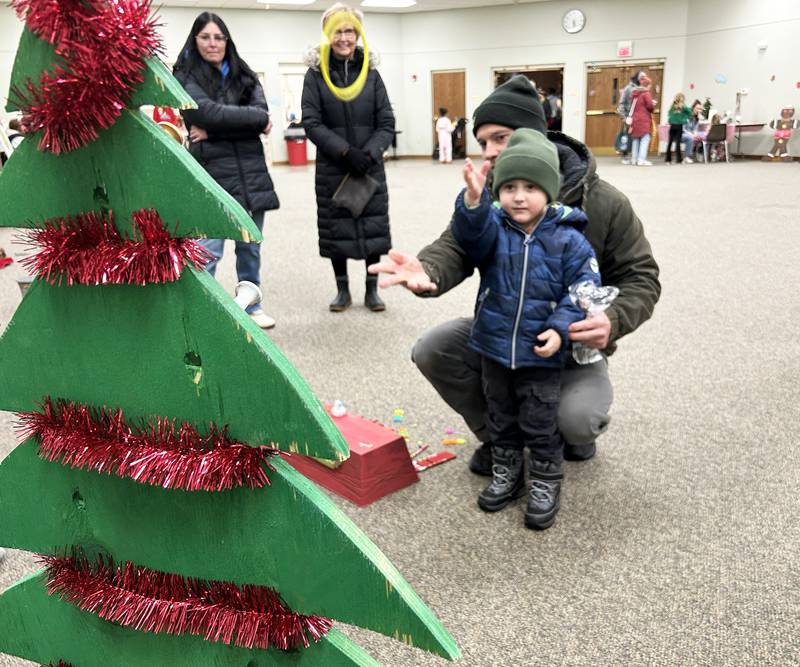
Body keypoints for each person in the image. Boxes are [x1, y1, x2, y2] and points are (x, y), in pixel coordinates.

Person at [368, 74, 660, 475]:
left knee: (576, 422)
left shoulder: (605, 202)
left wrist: (612, 320)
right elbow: (457, 244)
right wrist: (429, 269)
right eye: (483, 141)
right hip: (507, 330)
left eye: (500, 138)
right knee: (433, 348)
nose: (489, 153)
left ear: (535, 135)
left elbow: (641, 277)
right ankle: (501, 437)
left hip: (569, 345)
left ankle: (563, 427)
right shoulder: (495, 193)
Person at [452, 129, 600, 529]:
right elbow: (470, 236)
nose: (519, 196)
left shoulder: (570, 240)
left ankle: (546, 479)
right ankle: (508, 471)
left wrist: (560, 329)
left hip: (540, 353)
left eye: (531, 187)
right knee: (499, 415)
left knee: (539, 419)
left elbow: (583, 291)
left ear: (549, 191)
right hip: (494, 348)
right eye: (510, 187)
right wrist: (473, 201)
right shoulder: (494, 228)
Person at [174, 12, 280, 330]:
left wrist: (216, 129)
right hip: (212, 175)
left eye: (219, 37)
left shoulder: (243, 74)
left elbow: (261, 114)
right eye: (205, 37)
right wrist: (249, 123)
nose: (213, 43)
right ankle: (201, 312)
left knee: (250, 246)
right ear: (195, 40)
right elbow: (204, 113)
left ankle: (252, 304)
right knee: (209, 250)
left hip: (251, 174)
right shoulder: (185, 75)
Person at [301, 3, 395, 313]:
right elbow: (311, 122)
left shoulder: (372, 74)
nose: (344, 37)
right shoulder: (314, 76)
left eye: (350, 31)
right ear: (328, 34)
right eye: (338, 31)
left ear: (358, 34)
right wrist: (345, 151)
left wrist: (368, 153)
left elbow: (386, 122)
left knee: (373, 226)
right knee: (335, 228)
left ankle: (371, 291)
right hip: (333, 166)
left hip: (369, 165)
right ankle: (342, 289)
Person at [629, 73, 655, 166]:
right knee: (645, 138)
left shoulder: (635, 93)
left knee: (636, 139)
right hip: (643, 120)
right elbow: (650, 106)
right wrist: (653, 104)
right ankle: (641, 160)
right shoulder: (646, 93)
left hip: (635, 120)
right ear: (647, 85)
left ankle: (634, 160)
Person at [665, 93, 692, 164]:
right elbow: (690, 113)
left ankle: (668, 160)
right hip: (678, 126)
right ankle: (678, 159)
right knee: (677, 143)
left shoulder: (673, 106)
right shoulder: (682, 106)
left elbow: (669, 114)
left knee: (670, 142)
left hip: (673, 126)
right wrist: (684, 119)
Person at [681, 99, 702, 163]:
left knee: (700, 136)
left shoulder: (696, 118)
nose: (698, 110)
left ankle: (699, 155)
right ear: (693, 107)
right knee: (690, 137)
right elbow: (683, 128)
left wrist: (695, 134)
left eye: (699, 109)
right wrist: (691, 134)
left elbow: (695, 129)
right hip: (681, 133)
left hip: (689, 134)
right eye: (697, 108)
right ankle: (687, 157)